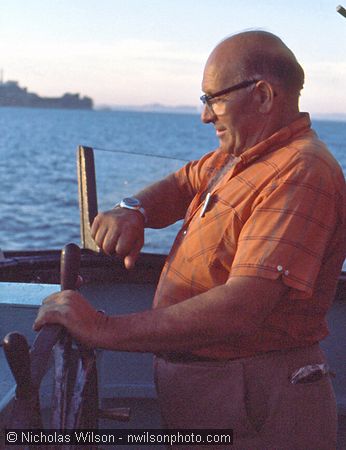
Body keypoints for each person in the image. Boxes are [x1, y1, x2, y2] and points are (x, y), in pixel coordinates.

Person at [34, 30, 346, 449]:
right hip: (214, 389)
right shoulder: (239, 156)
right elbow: (184, 183)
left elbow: (242, 308)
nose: (205, 116)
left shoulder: (302, 172)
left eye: (214, 99)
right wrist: (134, 211)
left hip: (254, 399)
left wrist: (102, 329)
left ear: (263, 96)